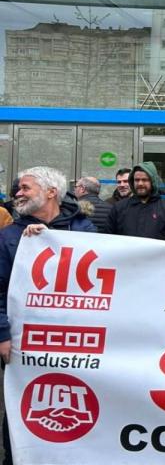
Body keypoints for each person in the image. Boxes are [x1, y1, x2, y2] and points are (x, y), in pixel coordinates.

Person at [0, 167, 97, 464]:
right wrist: (2, 333)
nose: (17, 194)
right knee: (25, 401)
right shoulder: (9, 236)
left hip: (74, 337)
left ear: (51, 192)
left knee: (75, 397)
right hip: (24, 339)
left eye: (25, 188)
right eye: (19, 188)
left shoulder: (85, 230)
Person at [106, 162, 165, 240]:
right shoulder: (119, 208)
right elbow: (108, 238)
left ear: (153, 181)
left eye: (144, 180)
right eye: (137, 180)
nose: (140, 183)